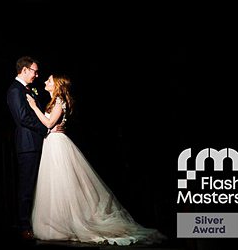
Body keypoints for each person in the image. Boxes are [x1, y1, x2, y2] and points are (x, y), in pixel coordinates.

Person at [26, 74, 166, 245]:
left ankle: (66, 224)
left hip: (57, 144)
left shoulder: (59, 100)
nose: (46, 82)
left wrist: (33, 107)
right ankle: (55, 224)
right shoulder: (54, 101)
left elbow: (49, 124)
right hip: (51, 143)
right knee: (54, 185)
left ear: (57, 85)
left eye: (50, 80)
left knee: (61, 183)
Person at [6, 56, 49, 241]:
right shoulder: (15, 90)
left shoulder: (30, 89)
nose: (37, 75)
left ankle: (38, 223)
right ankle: (24, 226)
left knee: (39, 186)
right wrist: (45, 128)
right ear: (24, 70)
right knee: (26, 186)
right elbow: (23, 117)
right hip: (28, 144)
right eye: (34, 71)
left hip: (37, 142)